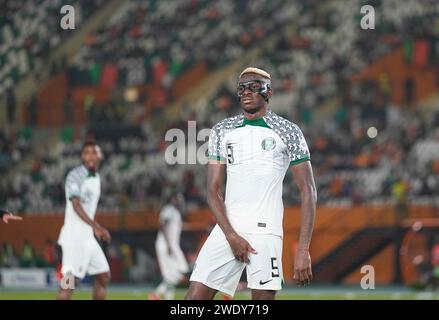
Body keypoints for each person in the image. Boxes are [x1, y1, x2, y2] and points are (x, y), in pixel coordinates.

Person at [185, 67, 317, 300]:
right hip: (227, 230)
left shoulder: (289, 132)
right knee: (193, 301)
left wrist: (304, 250)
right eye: (242, 87)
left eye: (254, 86)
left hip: (266, 233)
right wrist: (231, 236)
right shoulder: (221, 130)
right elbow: (212, 191)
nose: (246, 91)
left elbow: (308, 191)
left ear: (269, 92)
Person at [57, 140, 111, 300]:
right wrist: (97, 227)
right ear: (82, 156)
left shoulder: (96, 177)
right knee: (69, 283)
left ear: (100, 156)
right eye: (87, 153)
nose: (91, 156)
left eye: (94, 152)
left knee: (103, 276)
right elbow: (76, 205)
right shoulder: (75, 176)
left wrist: (94, 228)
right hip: (74, 238)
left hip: (87, 238)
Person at [149, 192, 189, 300]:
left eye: (181, 200)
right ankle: (161, 295)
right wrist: (168, 245)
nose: (180, 202)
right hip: (166, 245)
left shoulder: (175, 212)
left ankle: (157, 293)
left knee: (180, 271)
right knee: (171, 274)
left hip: (172, 246)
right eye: (178, 199)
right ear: (173, 199)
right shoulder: (169, 210)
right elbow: (162, 225)